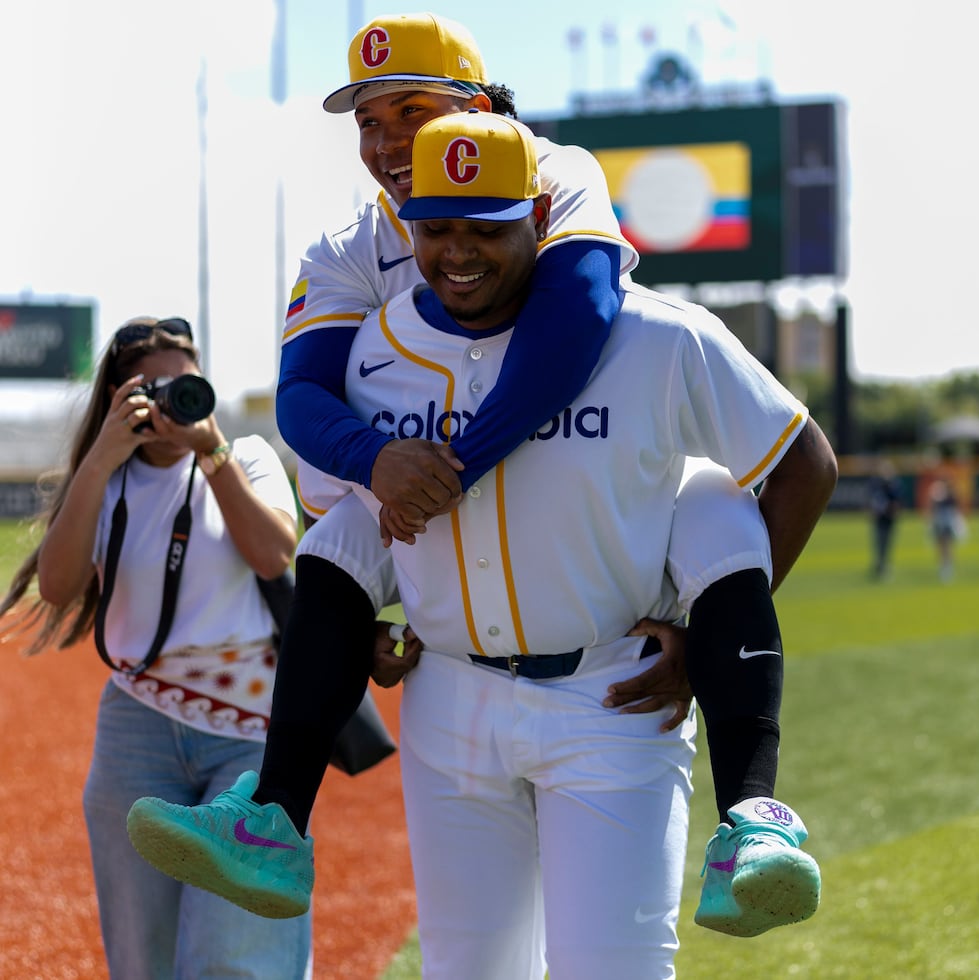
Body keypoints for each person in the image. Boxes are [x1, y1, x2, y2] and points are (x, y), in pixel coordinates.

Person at [126, 11, 833, 942]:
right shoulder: (355, 269)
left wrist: (451, 462)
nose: (387, 144)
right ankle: (275, 815)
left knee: (710, 506)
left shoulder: (561, 182)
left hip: (603, 649)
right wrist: (381, 480)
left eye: (410, 111)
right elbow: (305, 402)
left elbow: (574, 315)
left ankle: (752, 815)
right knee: (340, 538)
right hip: (454, 678)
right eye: (367, 122)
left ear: (481, 112)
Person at [261, 112, 834, 977]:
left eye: (487, 228)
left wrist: (701, 645)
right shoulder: (375, 352)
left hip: (609, 696)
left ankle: (753, 813)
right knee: (467, 972)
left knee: (614, 967)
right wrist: (363, 631)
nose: (459, 252)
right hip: (449, 700)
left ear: (539, 212)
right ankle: (269, 812)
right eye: (436, 229)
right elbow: (347, 525)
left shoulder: (657, 335)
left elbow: (804, 464)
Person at [0, 317, 312, 979]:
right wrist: (99, 459)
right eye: (152, 388)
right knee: (143, 956)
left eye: (184, 383)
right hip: (136, 731)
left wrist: (212, 453)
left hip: (249, 731)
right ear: (118, 397)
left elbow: (273, 554)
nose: (173, 400)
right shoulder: (107, 479)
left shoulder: (246, 454)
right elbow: (55, 586)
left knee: (235, 951)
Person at [868, 459, 901, 578]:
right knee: (879, 542)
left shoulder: (893, 484)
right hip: (880, 519)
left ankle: (884, 565)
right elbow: (873, 501)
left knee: (887, 543)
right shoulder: (877, 483)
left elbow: (897, 503)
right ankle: (879, 565)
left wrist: (893, 510)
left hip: (889, 519)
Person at [929, 476, 962, 580]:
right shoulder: (937, 495)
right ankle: (942, 565)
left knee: (947, 545)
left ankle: (948, 566)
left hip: (947, 523)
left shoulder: (951, 495)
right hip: (939, 523)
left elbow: (954, 506)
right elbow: (933, 509)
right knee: (940, 546)